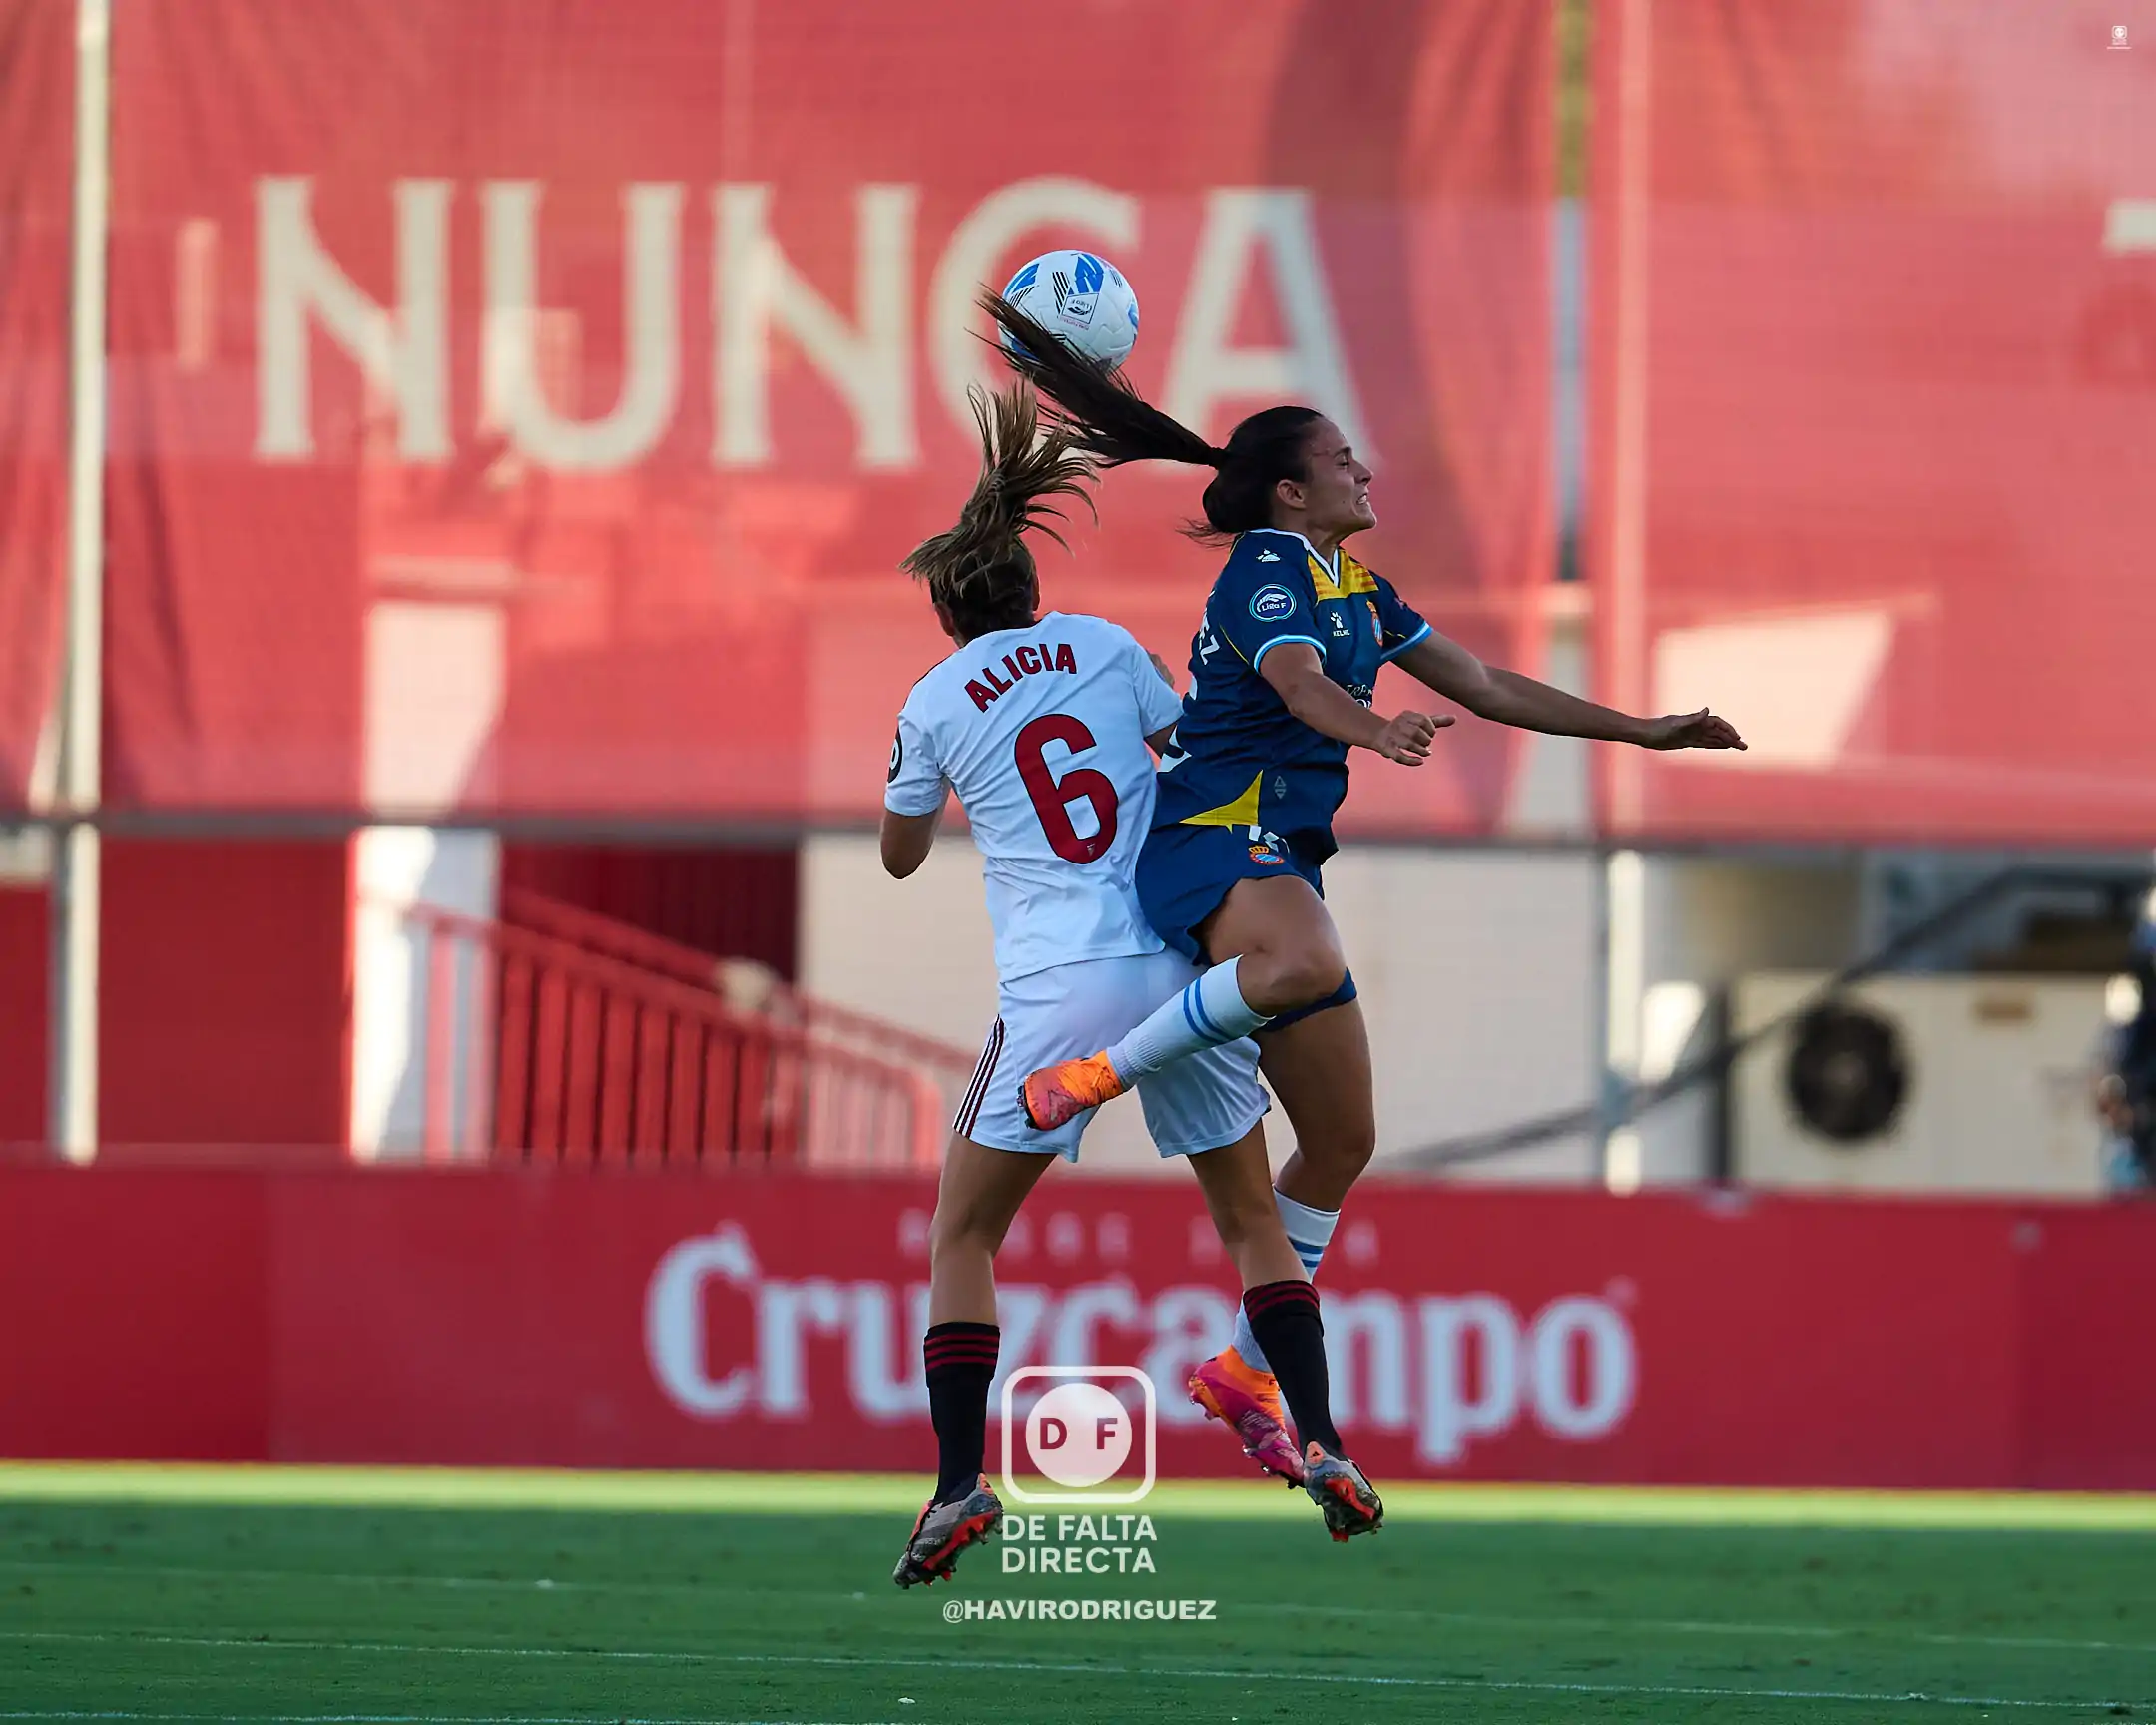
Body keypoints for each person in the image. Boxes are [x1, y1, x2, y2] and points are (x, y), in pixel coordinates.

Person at [986, 290, 1746, 1482]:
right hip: (1209, 836)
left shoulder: (1355, 582)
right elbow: (1296, 685)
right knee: (1306, 959)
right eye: (1343, 459)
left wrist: (1643, 731)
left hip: (1277, 856)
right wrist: (1376, 730)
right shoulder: (1268, 569)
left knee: (1342, 1141)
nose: (1364, 469)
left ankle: (1242, 1371)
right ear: (1291, 492)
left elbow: (1486, 683)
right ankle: (1095, 1074)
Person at [883, 380, 1380, 1590]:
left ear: (950, 615)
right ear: (1030, 588)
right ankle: (1320, 1435)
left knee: (965, 1234)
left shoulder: (934, 699)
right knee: (1251, 1221)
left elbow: (899, 854)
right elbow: (1179, 745)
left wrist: (937, 777)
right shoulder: (1105, 646)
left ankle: (958, 1484)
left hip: (1058, 989)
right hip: (1175, 967)